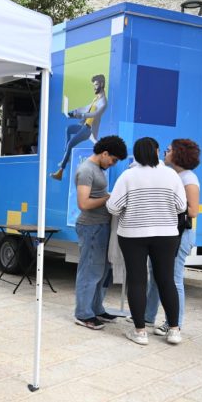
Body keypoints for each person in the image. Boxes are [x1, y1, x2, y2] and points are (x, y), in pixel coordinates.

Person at [107, 137, 187, 346]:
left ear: (136, 154)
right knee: (166, 280)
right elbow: (181, 206)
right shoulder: (171, 175)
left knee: (137, 280)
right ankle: (174, 330)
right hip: (166, 235)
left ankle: (140, 332)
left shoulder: (128, 176)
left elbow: (113, 207)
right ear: (157, 151)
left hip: (133, 235)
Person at [71, 136, 128, 330]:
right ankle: (83, 313)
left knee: (103, 270)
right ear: (104, 153)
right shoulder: (86, 170)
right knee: (90, 270)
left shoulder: (97, 170)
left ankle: (96, 308)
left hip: (101, 226)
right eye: (113, 160)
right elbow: (84, 204)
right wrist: (108, 198)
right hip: (91, 227)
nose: (113, 164)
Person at [145, 138, 201, 334]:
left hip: (181, 235)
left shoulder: (188, 178)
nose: (164, 153)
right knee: (155, 275)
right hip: (169, 234)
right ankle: (147, 316)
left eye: (168, 150)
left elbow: (193, 211)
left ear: (178, 155)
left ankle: (174, 322)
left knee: (173, 279)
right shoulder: (175, 175)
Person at [51, 74, 108, 181]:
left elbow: (95, 114)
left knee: (70, 144)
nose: (94, 87)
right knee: (68, 129)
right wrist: (73, 113)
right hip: (83, 126)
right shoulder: (96, 99)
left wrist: (82, 115)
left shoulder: (103, 102)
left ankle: (60, 172)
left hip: (88, 130)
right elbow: (85, 108)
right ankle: (66, 157)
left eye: (95, 85)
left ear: (101, 84)